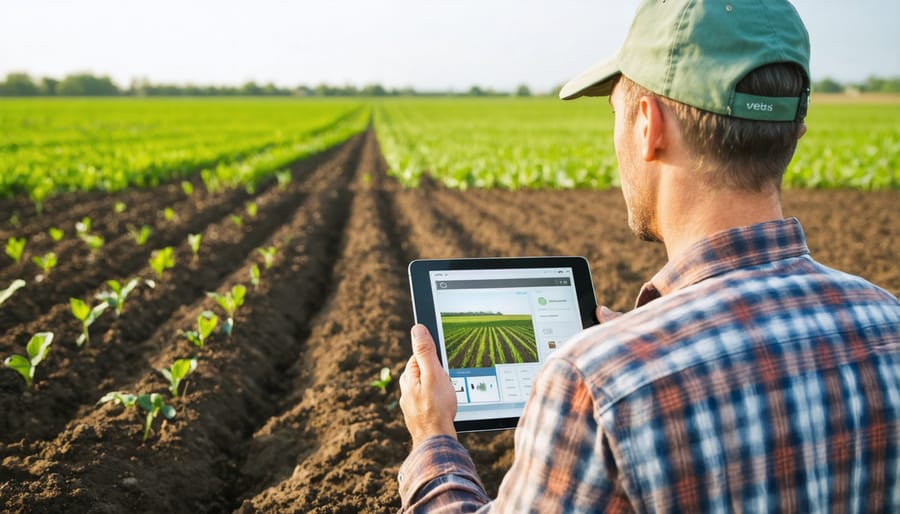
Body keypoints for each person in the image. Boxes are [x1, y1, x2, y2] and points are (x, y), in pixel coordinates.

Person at [397, 0, 900, 512]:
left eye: (616, 111)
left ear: (648, 126)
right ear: (796, 131)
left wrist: (433, 438)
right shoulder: (890, 322)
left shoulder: (594, 387)